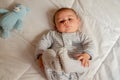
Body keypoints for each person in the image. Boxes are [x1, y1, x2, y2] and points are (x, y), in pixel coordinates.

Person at [35, 7, 94, 80]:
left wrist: (87, 55)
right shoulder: (53, 35)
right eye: (61, 21)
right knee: (47, 53)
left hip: (76, 69)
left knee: (85, 65)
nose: (66, 22)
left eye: (70, 19)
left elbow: (90, 44)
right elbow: (43, 42)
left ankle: (68, 65)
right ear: (55, 26)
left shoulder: (81, 36)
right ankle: (56, 65)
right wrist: (40, 56)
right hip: (56, 71)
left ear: (78, 22)